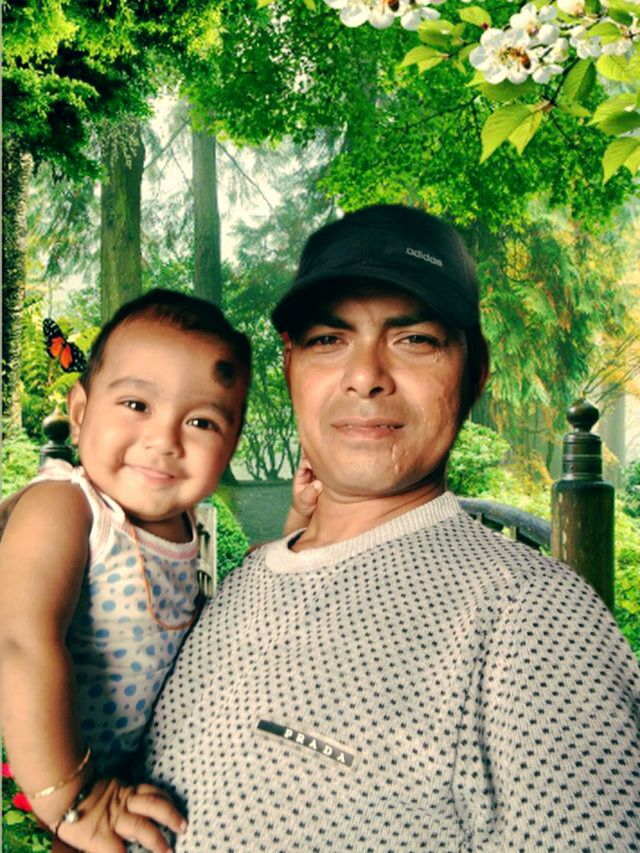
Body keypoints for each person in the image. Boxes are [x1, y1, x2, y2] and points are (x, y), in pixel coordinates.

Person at [140, 206, 640, 851]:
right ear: (290, 367)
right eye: (329, 340)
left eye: (416, 340)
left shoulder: (531, 614)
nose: (366, 376)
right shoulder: (244, 582)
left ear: (474, 374)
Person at [0, 289, 250, 853]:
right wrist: (71, 799)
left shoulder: (186, 523)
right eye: (137, 405)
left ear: (230, 445)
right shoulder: (66, 507)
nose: (164, 441)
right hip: (52, 770)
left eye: (202, 421)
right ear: (80, 412)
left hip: (132, 772)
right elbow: (20, 640)